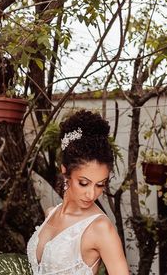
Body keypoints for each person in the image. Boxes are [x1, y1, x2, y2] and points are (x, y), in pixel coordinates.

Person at [27, 110, 129, 274]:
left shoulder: (100, 228)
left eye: (100, 185)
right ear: (65, 172)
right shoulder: (51, 213)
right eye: (83, 183)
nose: (92, 194)